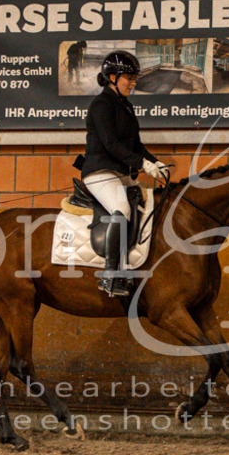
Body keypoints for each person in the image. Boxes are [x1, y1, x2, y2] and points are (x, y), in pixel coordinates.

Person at [77, 50, 169, 298]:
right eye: (129, 77)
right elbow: (111, 144)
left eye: (133, 78)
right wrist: (141, 163)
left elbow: (135, 145)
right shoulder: (101, 105)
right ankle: (110, 275)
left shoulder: (125, 106)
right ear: (113, 77)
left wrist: (154, 162)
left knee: (150, 202)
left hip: (120, 173)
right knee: (122, 209)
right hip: (100, 173)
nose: (133, 82)